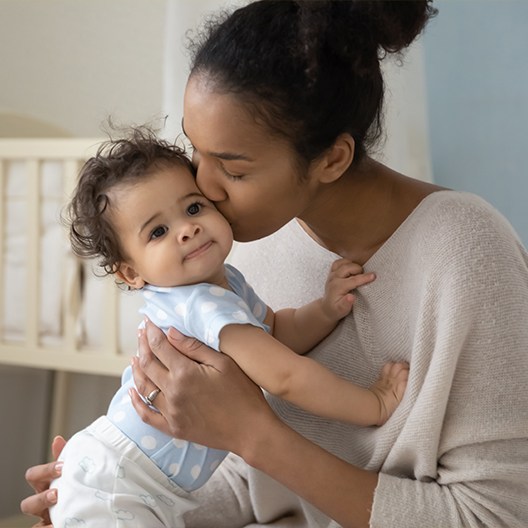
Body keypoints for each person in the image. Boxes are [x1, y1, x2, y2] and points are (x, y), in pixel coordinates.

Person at [21, 1, 528, 527]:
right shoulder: (239, 244)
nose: (203, 190)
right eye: (197, 153)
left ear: (332, 158)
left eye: (233, 169)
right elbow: (247, 479)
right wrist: (111, 497)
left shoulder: (466, 251)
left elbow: (497, 516)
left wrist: (253, 434)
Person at [46, 127, 407, 526]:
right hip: (120, 483)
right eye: (159, 232)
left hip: (124, 479)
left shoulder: (225, 282)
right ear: (132, 272)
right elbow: (285, 376)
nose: (188, 228)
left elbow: (276, 333)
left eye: (194, 207)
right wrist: (372, 404)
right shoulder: (201, 304)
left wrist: (324, 310)